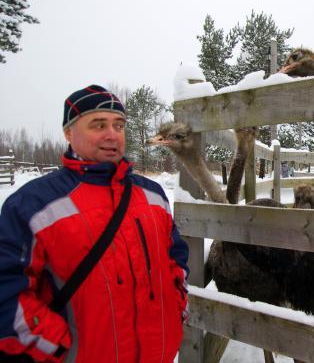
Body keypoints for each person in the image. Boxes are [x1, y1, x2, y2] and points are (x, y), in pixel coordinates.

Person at [0, 85, 189, 363]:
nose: (112, 134)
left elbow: (176, 258)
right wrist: (58, 347)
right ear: (68, 133)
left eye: (119, 125)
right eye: (98, 125)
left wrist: (176, 308)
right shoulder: (33, 205)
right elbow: (7, 293)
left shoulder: (152, 196)